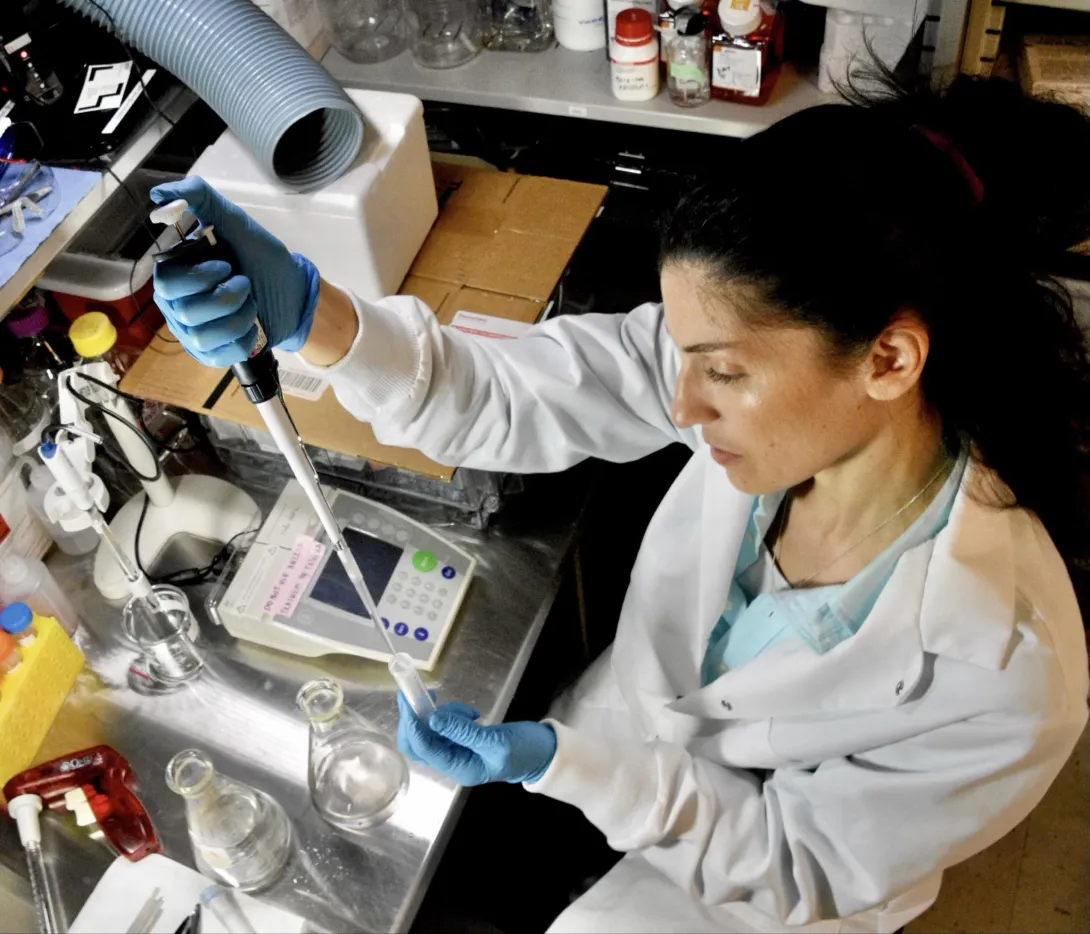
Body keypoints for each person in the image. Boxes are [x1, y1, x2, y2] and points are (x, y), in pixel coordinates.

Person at [152, 74, 1090, 933]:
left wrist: (563, 764)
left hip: (734, 900)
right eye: (680, 353)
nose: (681, 408)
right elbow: (500, 396)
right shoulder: (753, 376)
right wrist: (314, 313)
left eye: (721, 373)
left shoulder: (1007, 672)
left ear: (888, 360)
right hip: (600, 748)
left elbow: (793, 863)